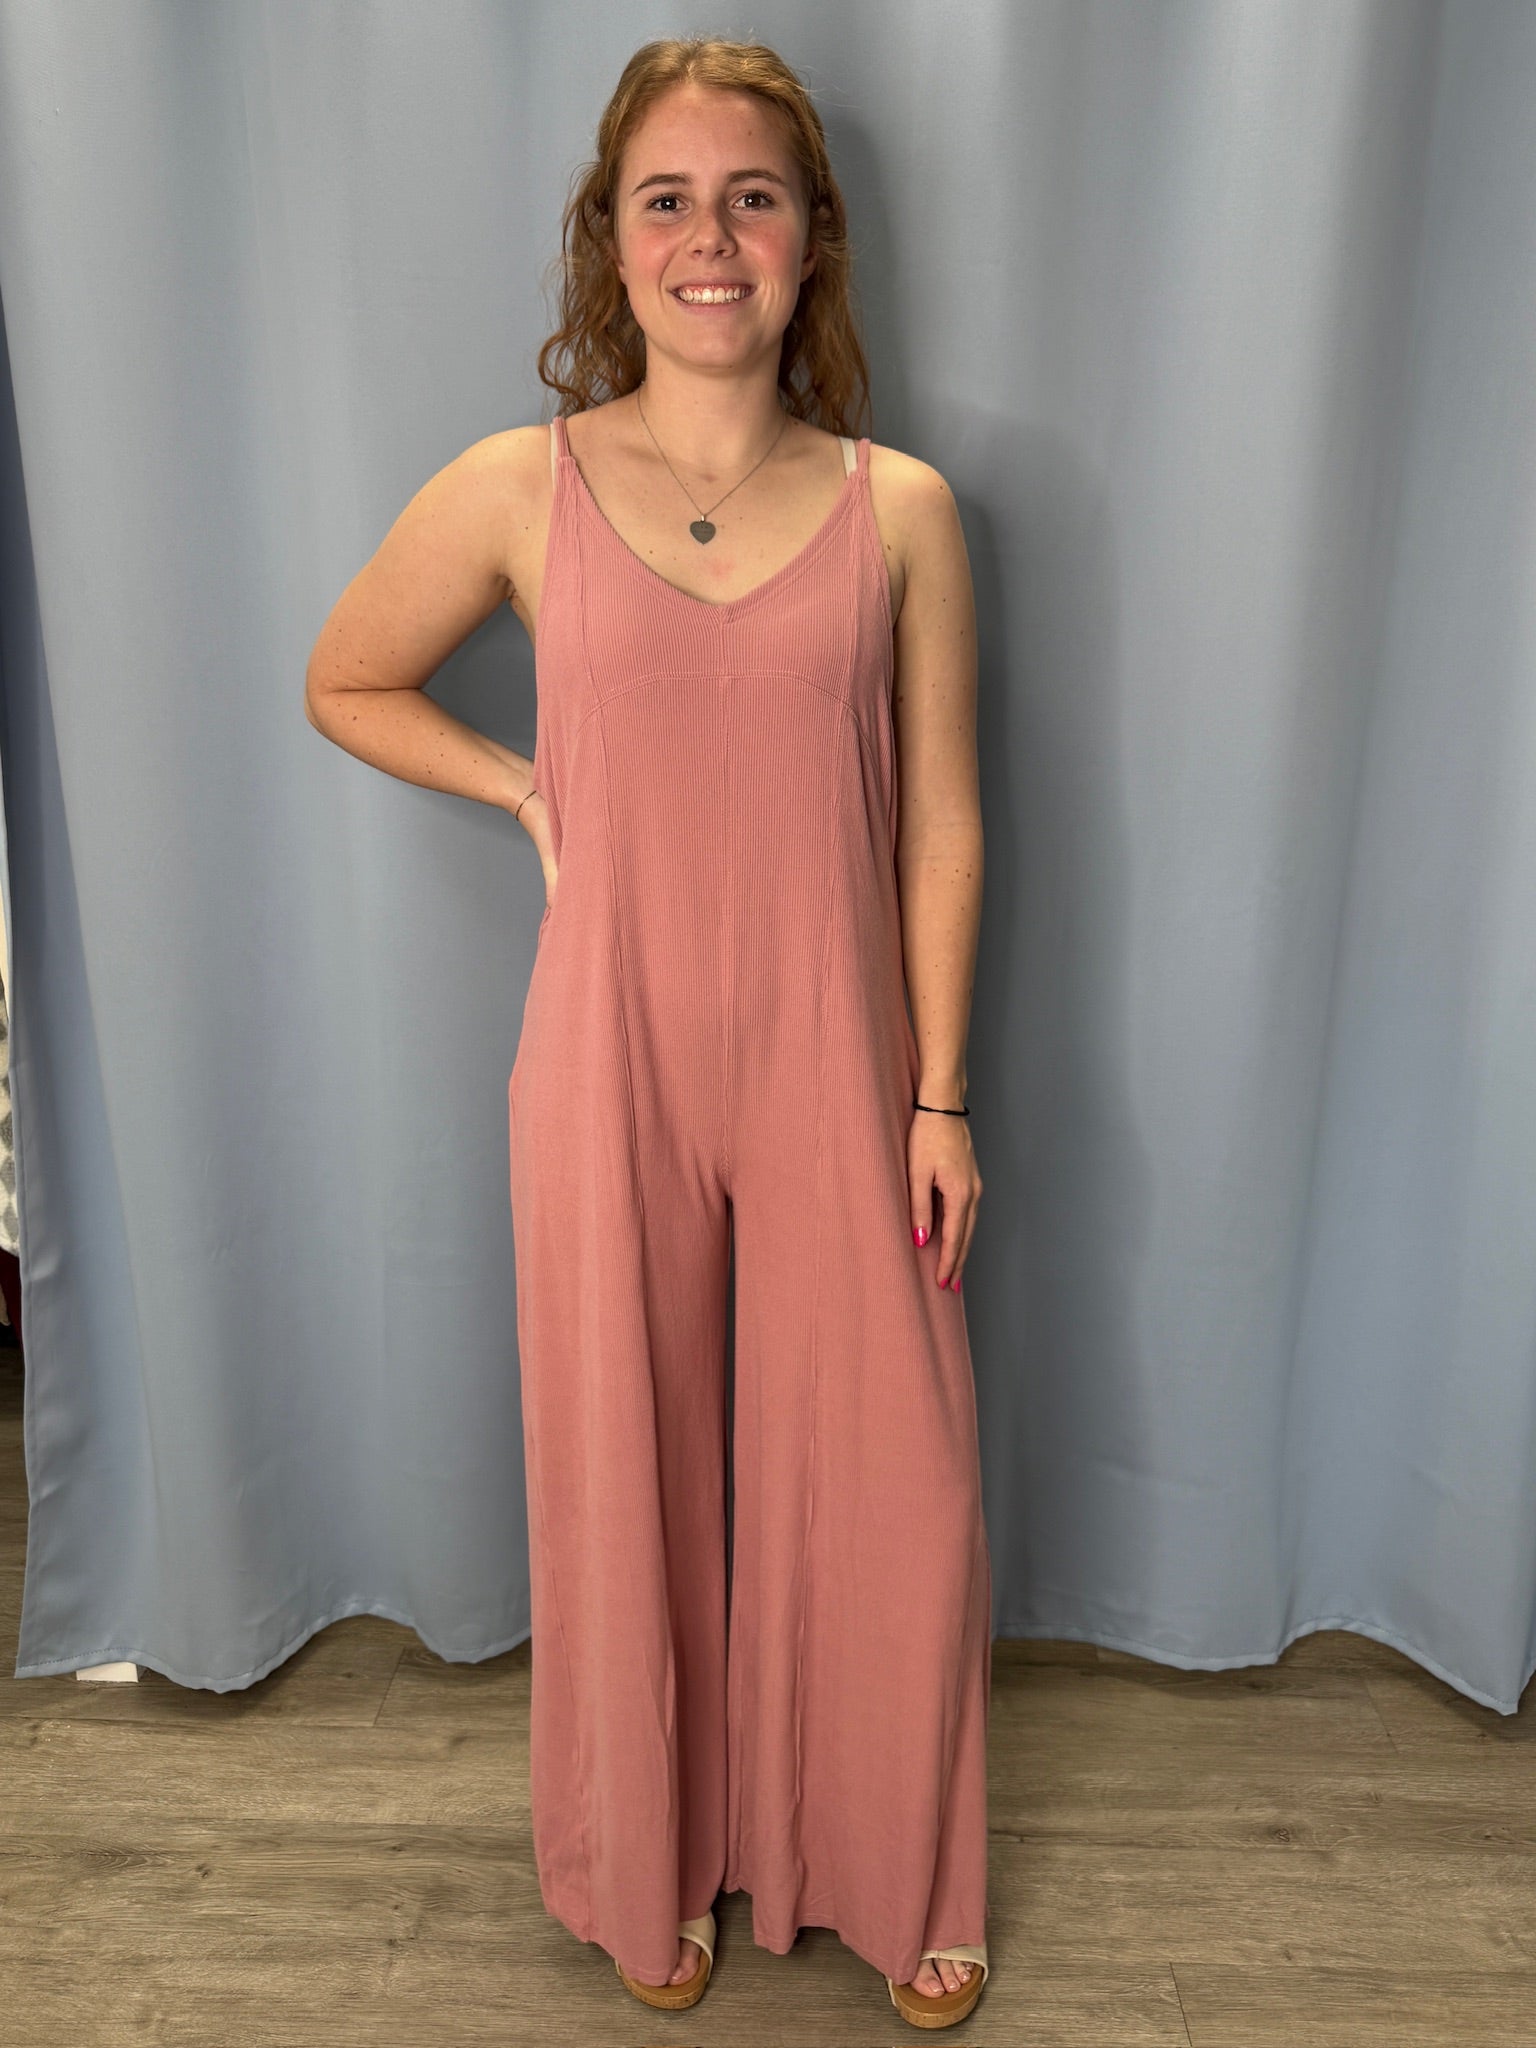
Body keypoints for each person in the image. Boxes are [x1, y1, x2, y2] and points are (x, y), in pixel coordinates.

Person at [305, 34, 990, 2031]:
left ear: (812, 241)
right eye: (668, 199)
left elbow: (941, 814)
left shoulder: (908, 512)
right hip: (604, 1057)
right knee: (625, 1468)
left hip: (844, 1067)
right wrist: (527, 788)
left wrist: (943, 1090)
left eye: (752, 197)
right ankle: (642, 1862)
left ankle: (897, 1866)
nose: (712, 237)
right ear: (613, 244)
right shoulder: (523, 486)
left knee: (888, 1476)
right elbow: (349, 674)